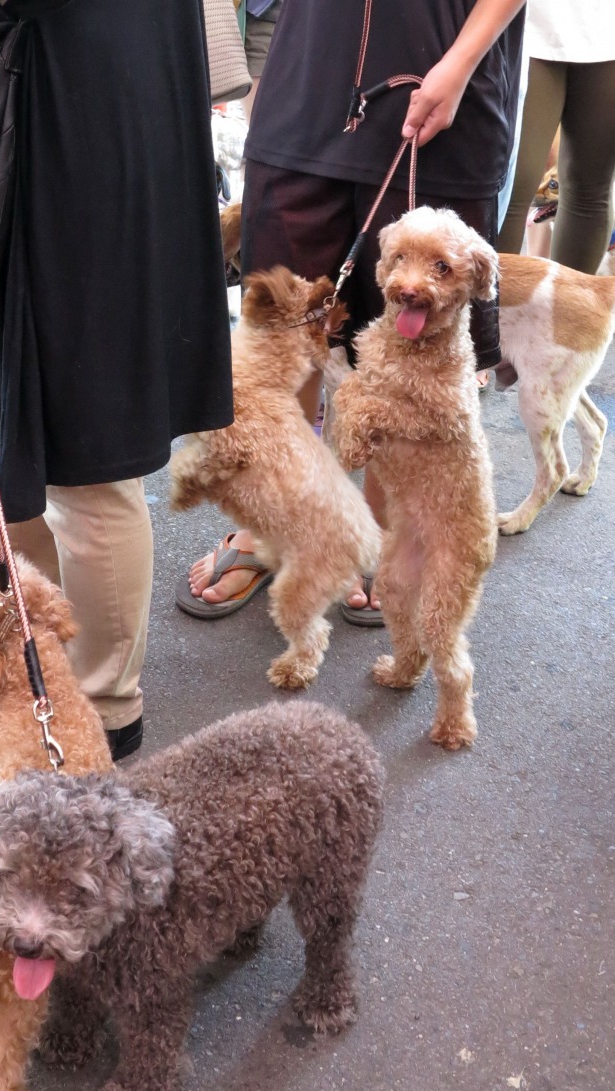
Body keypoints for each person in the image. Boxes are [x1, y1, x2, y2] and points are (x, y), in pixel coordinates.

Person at [0, 0, 233, 758]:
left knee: (87, 457)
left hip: (81, 103)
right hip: (22, 90)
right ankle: (30, 642)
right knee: (0, 430)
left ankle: (100, 706)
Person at [181, 0, 525, 626]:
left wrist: (459, 65)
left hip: (442, 75)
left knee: (414, 340)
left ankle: (374, 528)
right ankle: (276, 524)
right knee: (284, 327)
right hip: (307, 80)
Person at [497, 1, 615, 273]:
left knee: (591, 189)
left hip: (606, 30)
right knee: (513, 184)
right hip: (526, 25)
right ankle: (492, 312)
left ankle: (571, 312)